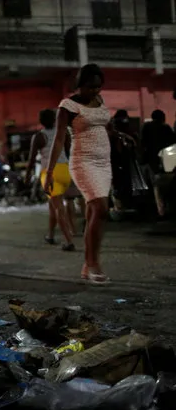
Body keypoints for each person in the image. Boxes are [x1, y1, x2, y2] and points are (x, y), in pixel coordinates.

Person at [44, 64, 131, 284]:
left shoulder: (99, 102)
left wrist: (120, 135)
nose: (95, 91)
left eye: (98, 87)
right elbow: (59, 139)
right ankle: (93, 264)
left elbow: (106, 126)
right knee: (100, 209)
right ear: (80, 84)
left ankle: (88, 263)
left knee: (97, 213)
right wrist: (51, 171)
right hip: (83, 162)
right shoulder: (68, 106)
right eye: (90, 87)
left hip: (104, 163)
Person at [25, 109, 75, 251]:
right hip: (65, 170)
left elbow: (31, 159)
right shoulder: (64, 132)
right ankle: (51, 235)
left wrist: (28, 176)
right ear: (55, 119)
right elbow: (69, 152)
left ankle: (68, 241)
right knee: (53, 205)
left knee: (58, 207)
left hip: (50, 173)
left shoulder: (39, 137)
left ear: (41, 121)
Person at [140, 109, 175, 218]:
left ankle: (160, 210)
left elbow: (143, 142)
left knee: (155, 185)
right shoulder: (166, 128)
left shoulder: (147, 127)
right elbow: (172, 142)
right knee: (166, 185)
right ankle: (166, 208)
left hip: (151, 161)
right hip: (166, 160)